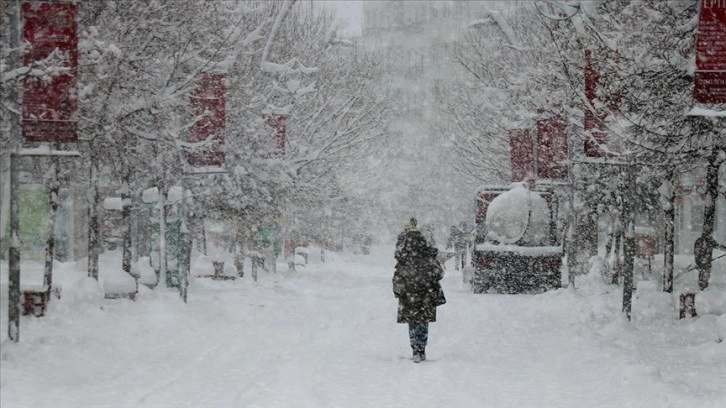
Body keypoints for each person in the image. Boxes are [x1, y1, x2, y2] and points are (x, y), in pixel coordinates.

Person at [393, 217, 444, 363]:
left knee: (412, 322)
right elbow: (439, 274)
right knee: (423, 322)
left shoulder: (403, 260)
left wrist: (398, 291)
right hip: (426, 295)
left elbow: (397, 279)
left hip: (409, 296)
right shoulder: (428, 258)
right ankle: (421, 349)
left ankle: (415, 348)